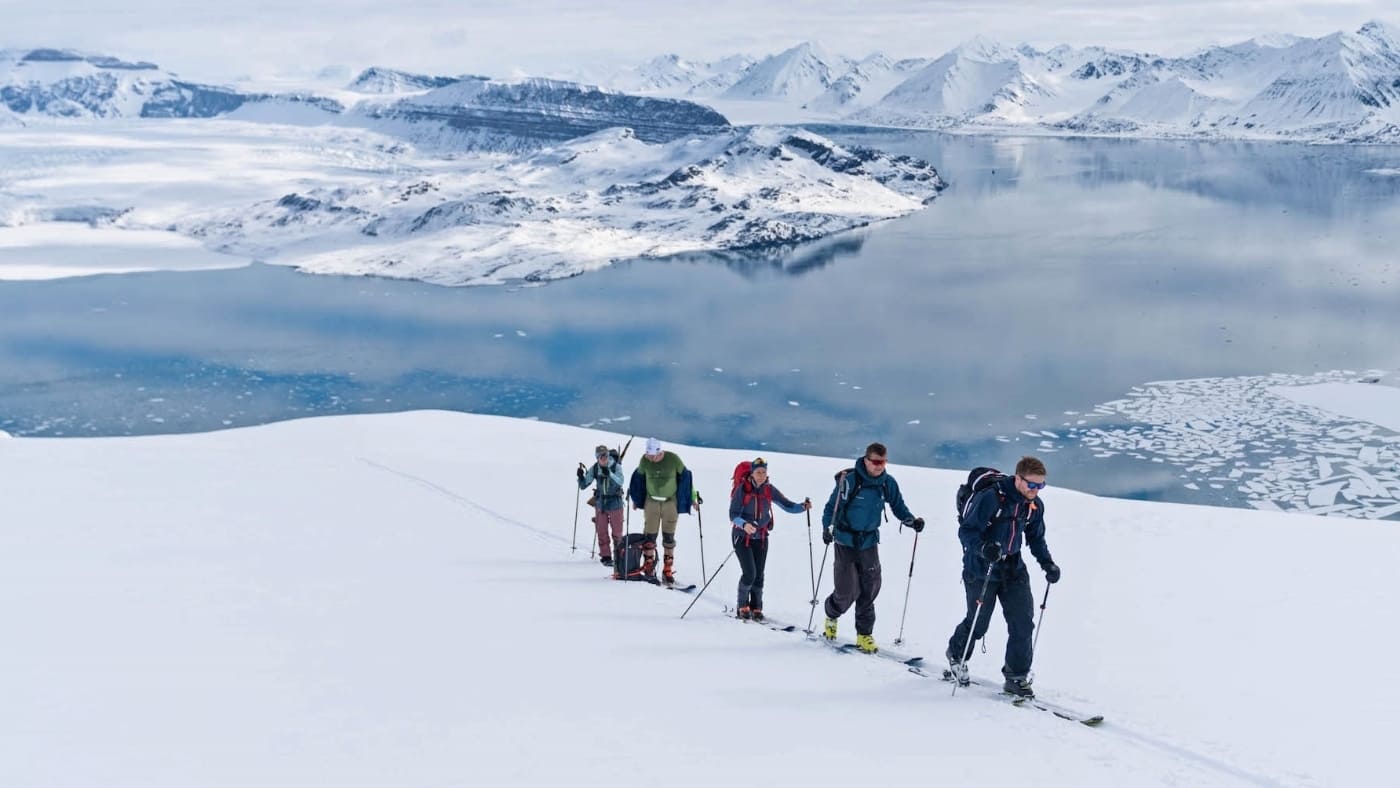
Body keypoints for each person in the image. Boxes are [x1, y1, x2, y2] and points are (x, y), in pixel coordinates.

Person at [945, 456, 1061, 699]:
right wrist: (983, 548)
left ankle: (1016, 677)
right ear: (1018, 478)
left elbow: (1036, 538)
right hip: (981, 567)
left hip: (1013, 567)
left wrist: (1047, 563)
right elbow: (966, 530)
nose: (1036, 490)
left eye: (1041, 486)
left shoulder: (1034, 506)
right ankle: (956, 655)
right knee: (978, 623)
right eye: (1032, 485)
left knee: (1022, 622)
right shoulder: (992, 498)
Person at [819, 442, 923, 654]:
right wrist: (827, 528)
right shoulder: (849, 481)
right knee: (846, 590)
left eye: (883, 462)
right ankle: (831, 614)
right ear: (866, 460)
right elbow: (832, 507)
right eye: (876, 462)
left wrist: (911, 521)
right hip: (845, 540)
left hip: (869, 541)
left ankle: (864, 635)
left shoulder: (887, 483)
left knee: (870, 587)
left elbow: (898, 507)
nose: (879, 466)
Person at [729, 457, 811, 621]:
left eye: (764, 472)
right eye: (758, 472)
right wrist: (744, 525)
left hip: (761, 537)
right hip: (741, 537)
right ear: (752, 473)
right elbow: (733, 514)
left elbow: (787, 505)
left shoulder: (769, 489)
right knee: (750, 573)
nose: (761, 475)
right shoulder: (742, 490)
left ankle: (756, 607)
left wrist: (802, 507)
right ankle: (742, 605)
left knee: (759, 574)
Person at [628, 437, 694, 585]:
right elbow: (639, 480)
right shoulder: (644, 461)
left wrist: (692, 498)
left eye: (653, 455)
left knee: (669, 538)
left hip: (670, 503)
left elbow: (686, 479)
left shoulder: (673, 459)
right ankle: (649, 569)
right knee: (649, 538)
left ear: (659, 451)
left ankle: (667, 570)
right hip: (651, 502)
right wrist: (636, 500)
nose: (650, 458)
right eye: (648, 455)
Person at [577, 444, 626, 567]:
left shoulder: (616, 467)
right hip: (601, 504)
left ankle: (619, 556)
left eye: (605, 455)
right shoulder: (595, 468)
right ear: (597, 457)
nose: (604, 458)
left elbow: (620, 481)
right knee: (602, 531)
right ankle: (606, 557)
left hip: (615, 503)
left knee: (617, 533)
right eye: (601, 456)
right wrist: (580, 477)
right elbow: (583, 486)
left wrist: (609, 473)